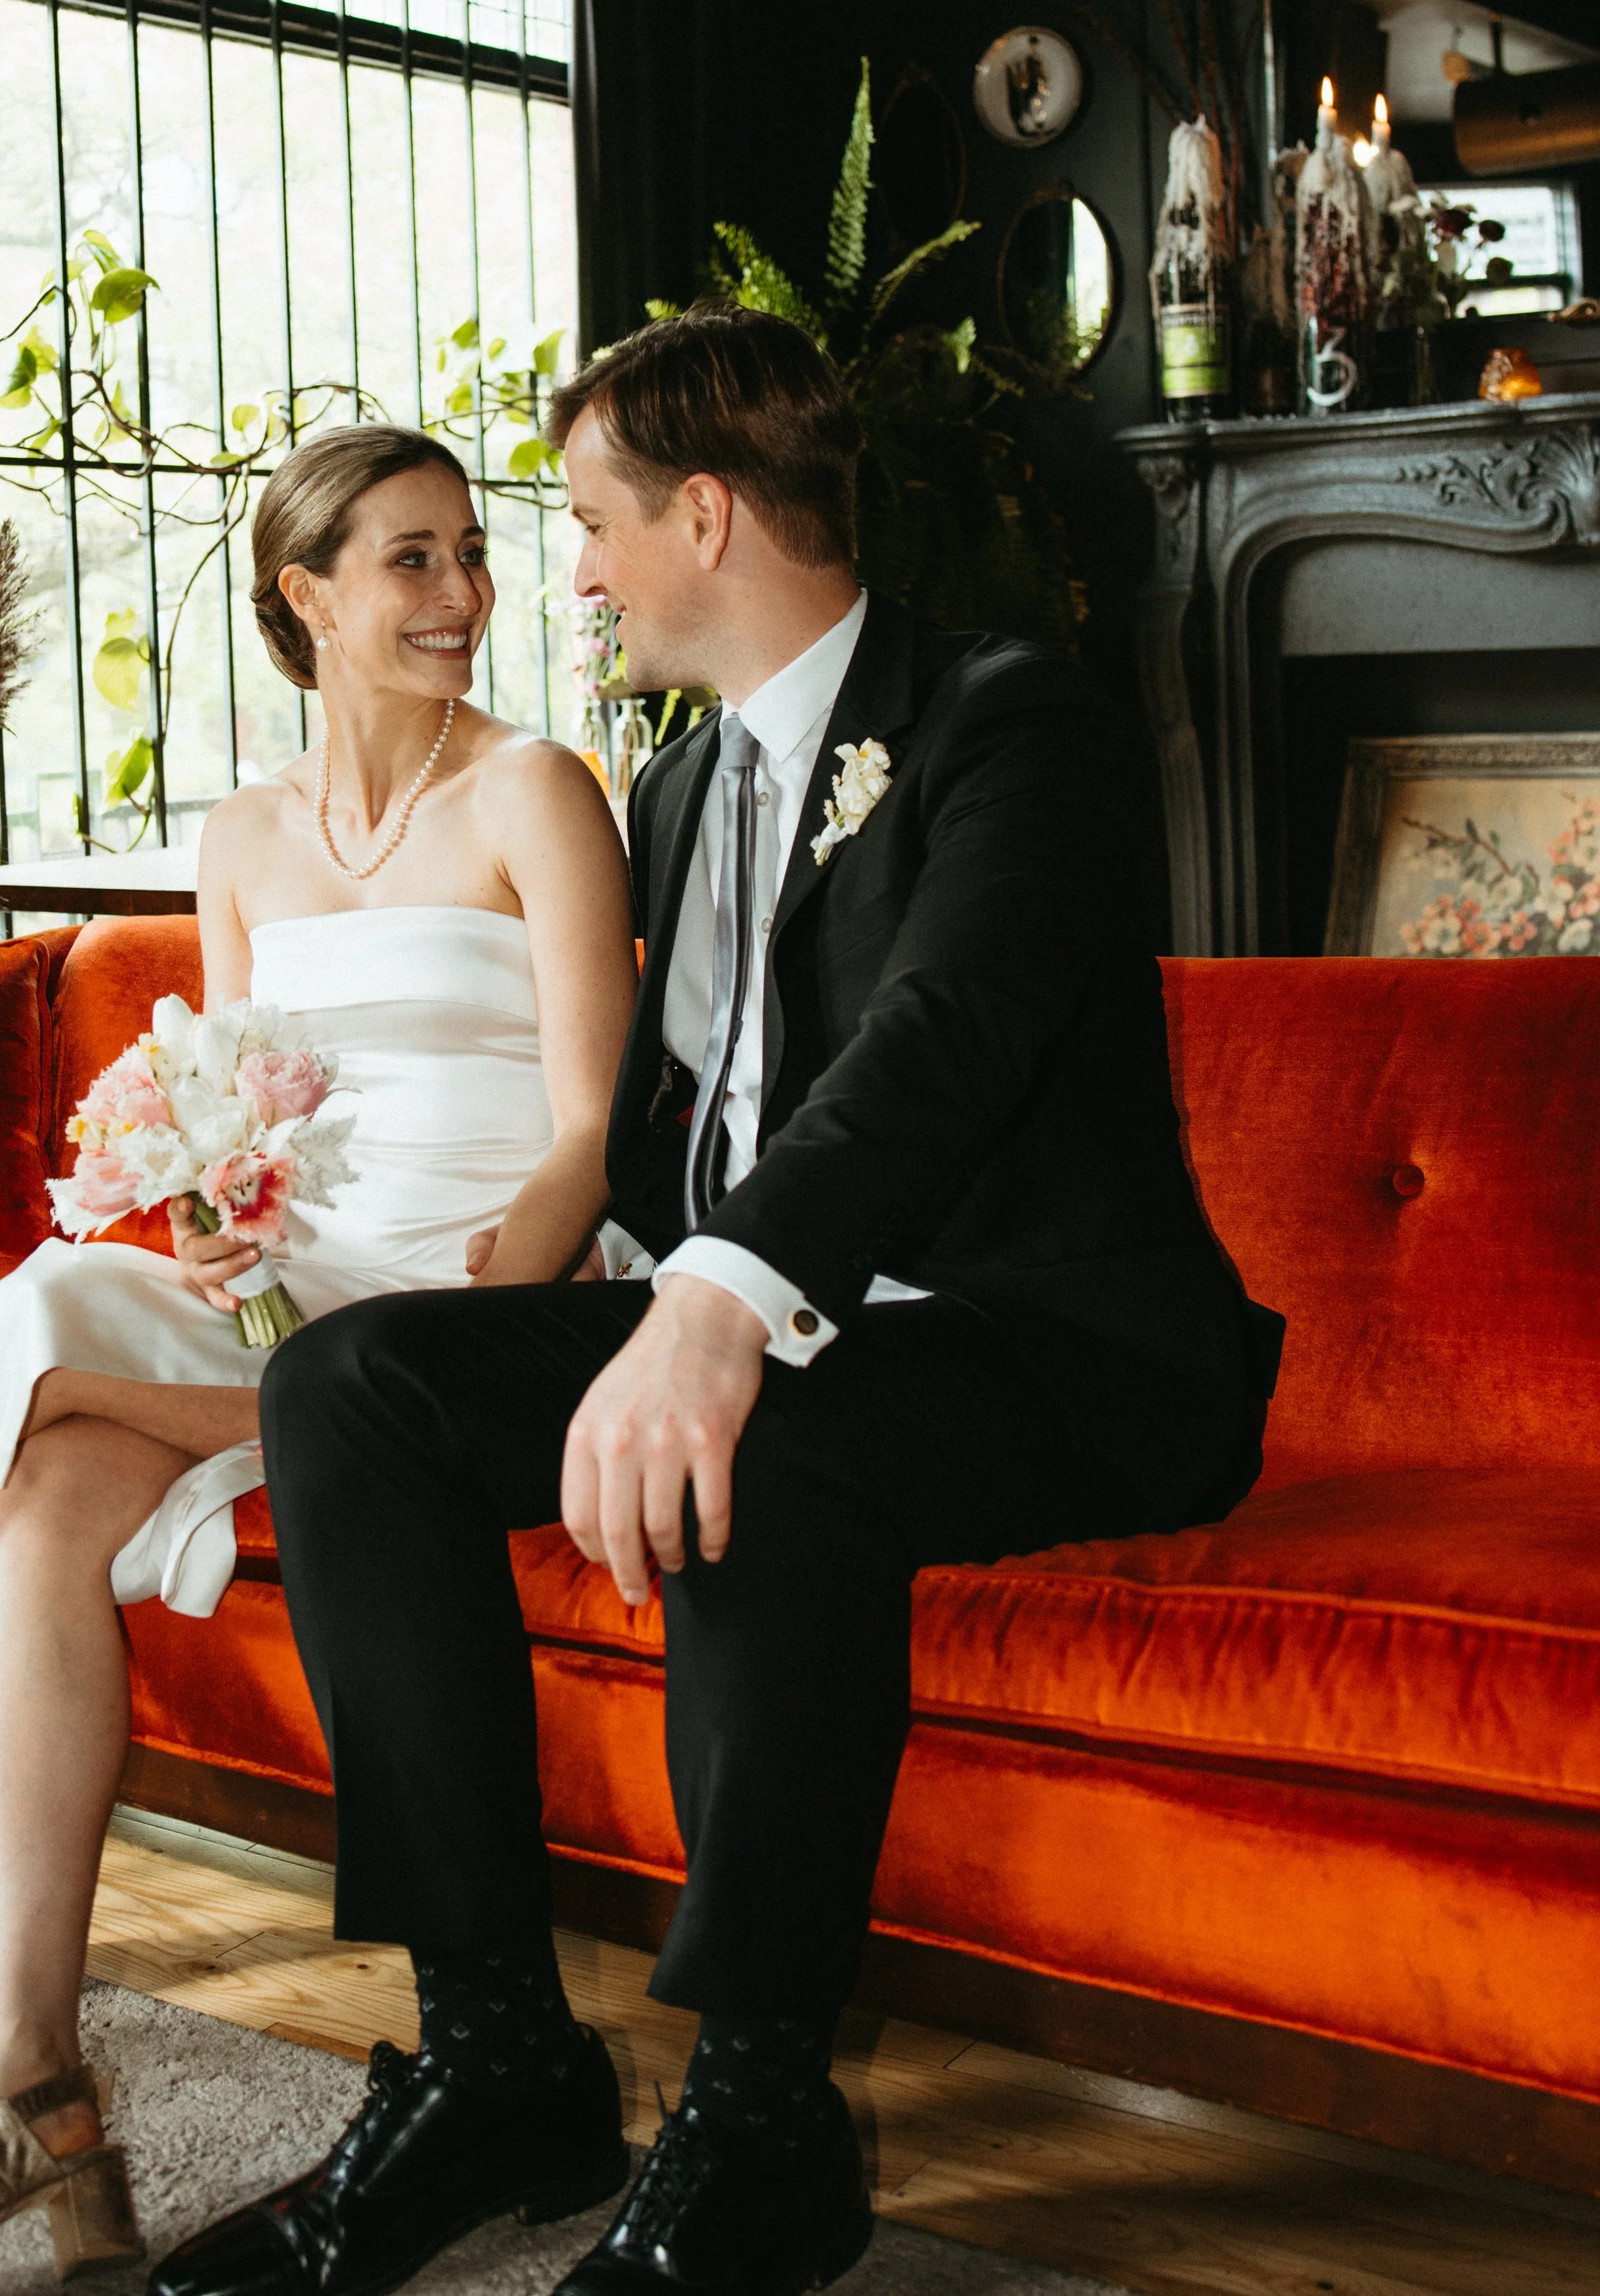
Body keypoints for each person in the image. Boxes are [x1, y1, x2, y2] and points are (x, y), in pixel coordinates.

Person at [155, 302, 1285, 2296]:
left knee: (765, 1425)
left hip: (1052, 1345)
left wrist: (712, 1303)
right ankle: (493, 2048)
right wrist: (593, 1269)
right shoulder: (668, 799)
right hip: (774, 1320)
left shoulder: (1006, 718)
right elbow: (653, 1120)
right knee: (355, 1386)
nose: (560, 575)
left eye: (584, 523)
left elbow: (940, 1038)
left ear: (698, 516)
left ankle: (760, 2110)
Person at [0, 425, 633, 2294]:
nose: (462, 595)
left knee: (36, 1339)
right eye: (408, 560)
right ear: (304, 596)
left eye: (470, 554)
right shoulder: (245, 836)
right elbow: (236, 1116)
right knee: (46, 1485)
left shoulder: (536, 795)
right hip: (285, 1298)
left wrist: (489, 1332)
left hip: (466, 1317)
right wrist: (210, 1219)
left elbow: (587, 1128)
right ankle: (25, 2081)